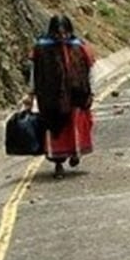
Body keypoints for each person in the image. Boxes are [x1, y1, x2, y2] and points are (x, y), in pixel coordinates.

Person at [25, 15, 95, 179]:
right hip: (51, 98)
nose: (62, 36)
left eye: (65, 32)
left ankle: (76, 153)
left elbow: (89, 71)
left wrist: (91, 92)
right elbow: (35, 74)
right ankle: (58, 164)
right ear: (52, 32)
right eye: (58, 33)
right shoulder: (42, 49)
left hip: (76, 95)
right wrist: (30, 93)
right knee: (54, 130)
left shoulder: (79, 47)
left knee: (75, 125)